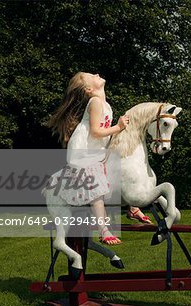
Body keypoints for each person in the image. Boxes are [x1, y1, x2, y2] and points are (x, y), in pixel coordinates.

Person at [46, 72, 152, 245]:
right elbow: (95, 132)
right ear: (89, 88)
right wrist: (118, 127)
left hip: (97, 149)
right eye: (91, 75)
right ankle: (103, 230)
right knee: (96, 189)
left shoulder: (105, 104)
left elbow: (102, 135)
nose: (96, 73)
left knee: (118, 174)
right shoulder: (95, 102)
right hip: (84, 151)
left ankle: (133, 207)